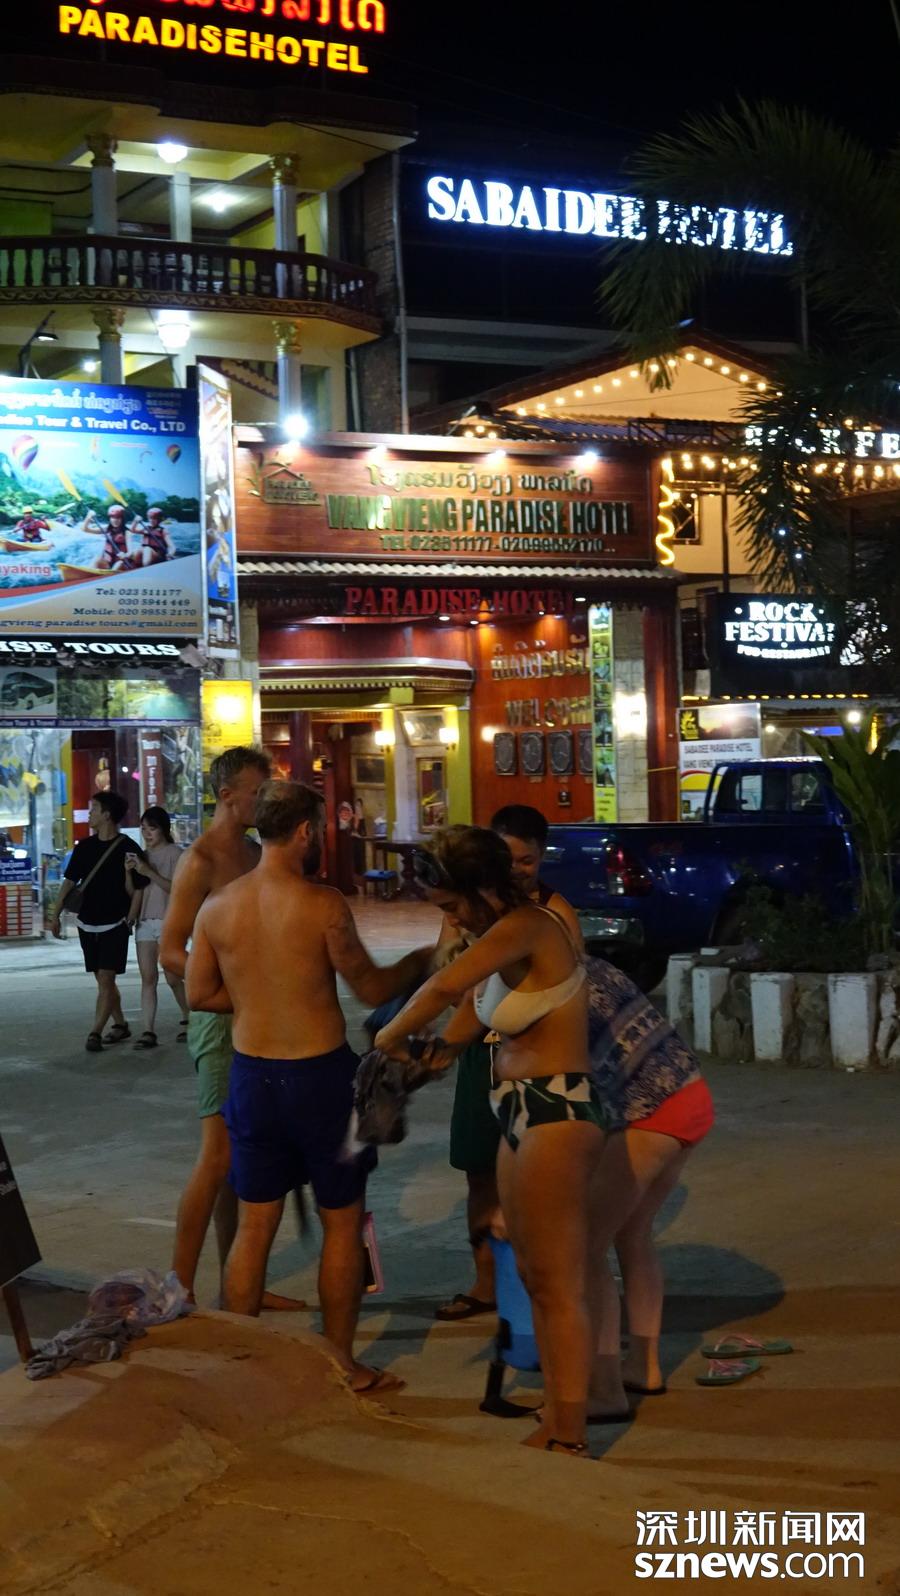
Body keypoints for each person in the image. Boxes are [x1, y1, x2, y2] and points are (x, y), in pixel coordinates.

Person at [186, 779, 432, 1394]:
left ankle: (241, 1367)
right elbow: (371, 990)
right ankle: (341, 1364)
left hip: (252, 1078)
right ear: (303, 832)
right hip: (321, 1079)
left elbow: (198, 994)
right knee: (342, 1221)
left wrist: (256, 998)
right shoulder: (323, 905)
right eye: (318, 828)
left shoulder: (217, 907)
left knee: (254, 1225)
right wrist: (424, 961)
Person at [375, 826, 605, 1456]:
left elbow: (443, 987)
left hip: (557, 1110)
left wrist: (385, 1038)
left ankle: (570, 1430)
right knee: (533, 1275)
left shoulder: (530, 926)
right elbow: (465, 1020)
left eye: (452, 905)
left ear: (480, 887)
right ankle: (558, 1412)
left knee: (555, 1282)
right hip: (518, 1111)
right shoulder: (499, 941)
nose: (449, 919)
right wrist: (418, 1065)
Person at [160, 745, 298, 1307]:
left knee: (245, 1158)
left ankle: (239, 1284)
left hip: (260, 1022)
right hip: (220, 1024)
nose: (268, 801)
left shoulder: (257, 852)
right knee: (217, 1156)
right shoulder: (201, 859)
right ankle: (177, 1290)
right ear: (227, 796)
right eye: (259, 793)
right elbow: (171, 951)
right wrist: (227, 991)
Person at [436, 804, 583, 1322]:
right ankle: (487, 1285)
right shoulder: (467, 910)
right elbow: (447, 980)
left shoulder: (554, 916)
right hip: (481, 1054)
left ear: (543, 857)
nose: (517, 870)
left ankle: (542, 1293)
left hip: (537, 1067)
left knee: (539, 1186)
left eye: (528, 860)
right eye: (507, 859)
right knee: (480, 1174)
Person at [51, 791, 143, 1052]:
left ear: (107, 815)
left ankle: (95, 1032)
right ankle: (121, 1024)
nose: (89, 814)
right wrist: (54, 915)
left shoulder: (128, 848)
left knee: (105, 977)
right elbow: (69, 883)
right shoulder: (85, 848)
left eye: (94, 809)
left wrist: (131, 918)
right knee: (104, 980)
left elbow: (139, 888)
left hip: (116, 923)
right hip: (87, 923)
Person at [125, 806, 188, 1049]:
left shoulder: (177, 854)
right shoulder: (141, 856)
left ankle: (189, 1016)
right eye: (143, 829)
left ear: (164, 829)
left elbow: (179, 890)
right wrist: (129, 873)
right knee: (148, 977)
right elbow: (135, 892)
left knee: (173, 976)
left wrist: (148, 872)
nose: (147, 833)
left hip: (169, 920)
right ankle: (148, 1031)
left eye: (152, 828)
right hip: (144, 921)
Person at [93, 505, 130, 571]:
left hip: (121, 564)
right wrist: (88, 517)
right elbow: (85, 529)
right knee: (97, 558)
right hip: (108, 564)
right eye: (113, 517)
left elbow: (130, 552)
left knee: (119, 563)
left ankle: (111, 575)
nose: (115, 520)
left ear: (122, 519)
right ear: (110, 519)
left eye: (118, 518)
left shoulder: (127, 532)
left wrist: (125, 555)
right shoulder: (106, 529)